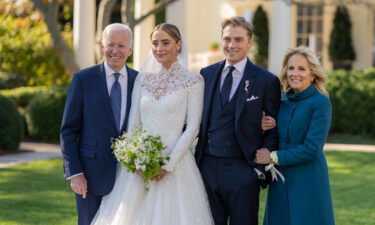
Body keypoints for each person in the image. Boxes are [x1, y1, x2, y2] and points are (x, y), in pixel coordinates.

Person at [91, 23, 214, 225]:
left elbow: (193, 128)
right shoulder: (142, 79)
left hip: (175, 165)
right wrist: (135, 161)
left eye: (165, 43)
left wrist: (168, 164)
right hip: (138, 168)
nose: (159, 48)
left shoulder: (194, 81)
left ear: (178, 45)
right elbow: (133, 125)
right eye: (155, 43)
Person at [194, 16, 281, 225]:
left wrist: (258, 169)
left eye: (238, 40)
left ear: (249, 43)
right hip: (206, 166)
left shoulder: (266, 80)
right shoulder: (206, 74)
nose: (231, 45)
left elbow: (274, 129)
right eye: (227, 39)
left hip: (243, 168)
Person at [60, 23, 137, 225]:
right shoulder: (83, 79)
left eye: (121, 45)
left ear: (130, 49)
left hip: (130, 177)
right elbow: (68, 131)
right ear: (102, 47)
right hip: (90, 176)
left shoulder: (141, 82)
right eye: (110, 44)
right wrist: (75, 173)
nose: (115, 50)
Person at [256, 46, 335, 225]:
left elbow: (312, 148)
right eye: (291, 68)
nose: (295, 73)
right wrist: (263, 127)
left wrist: (273, 156)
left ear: (313, 74)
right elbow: (273, 134)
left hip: (307, 176)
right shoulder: (280, 101)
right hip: (280, 177)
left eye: (302, 69)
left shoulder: (321, 103)